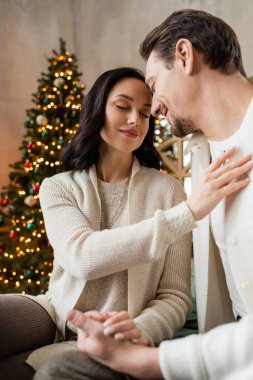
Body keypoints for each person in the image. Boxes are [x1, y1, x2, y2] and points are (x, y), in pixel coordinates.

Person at [33, 8, 253, 380]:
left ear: (184, 55)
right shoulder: (203, 157)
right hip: (215, 353)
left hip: (217, 358)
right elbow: (80, 256)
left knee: (59, 371)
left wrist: (144, 352)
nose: (147, 110)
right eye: (123, 106)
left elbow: (175, 298)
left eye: (152, 87)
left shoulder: (170, 186)